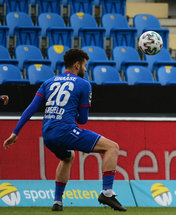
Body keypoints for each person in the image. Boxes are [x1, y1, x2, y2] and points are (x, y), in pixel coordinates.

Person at [3, 49, 126, 212]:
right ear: (77, 65)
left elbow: (31, 108)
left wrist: (15, 132)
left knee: (68, 157)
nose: (86, 69)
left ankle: (57, 201)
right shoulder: (84, 84)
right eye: (85, 65)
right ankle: (107, 192)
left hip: (47, 133)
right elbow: (83, 120)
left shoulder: (48, 82)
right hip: (65, 130)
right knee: (112, 147)